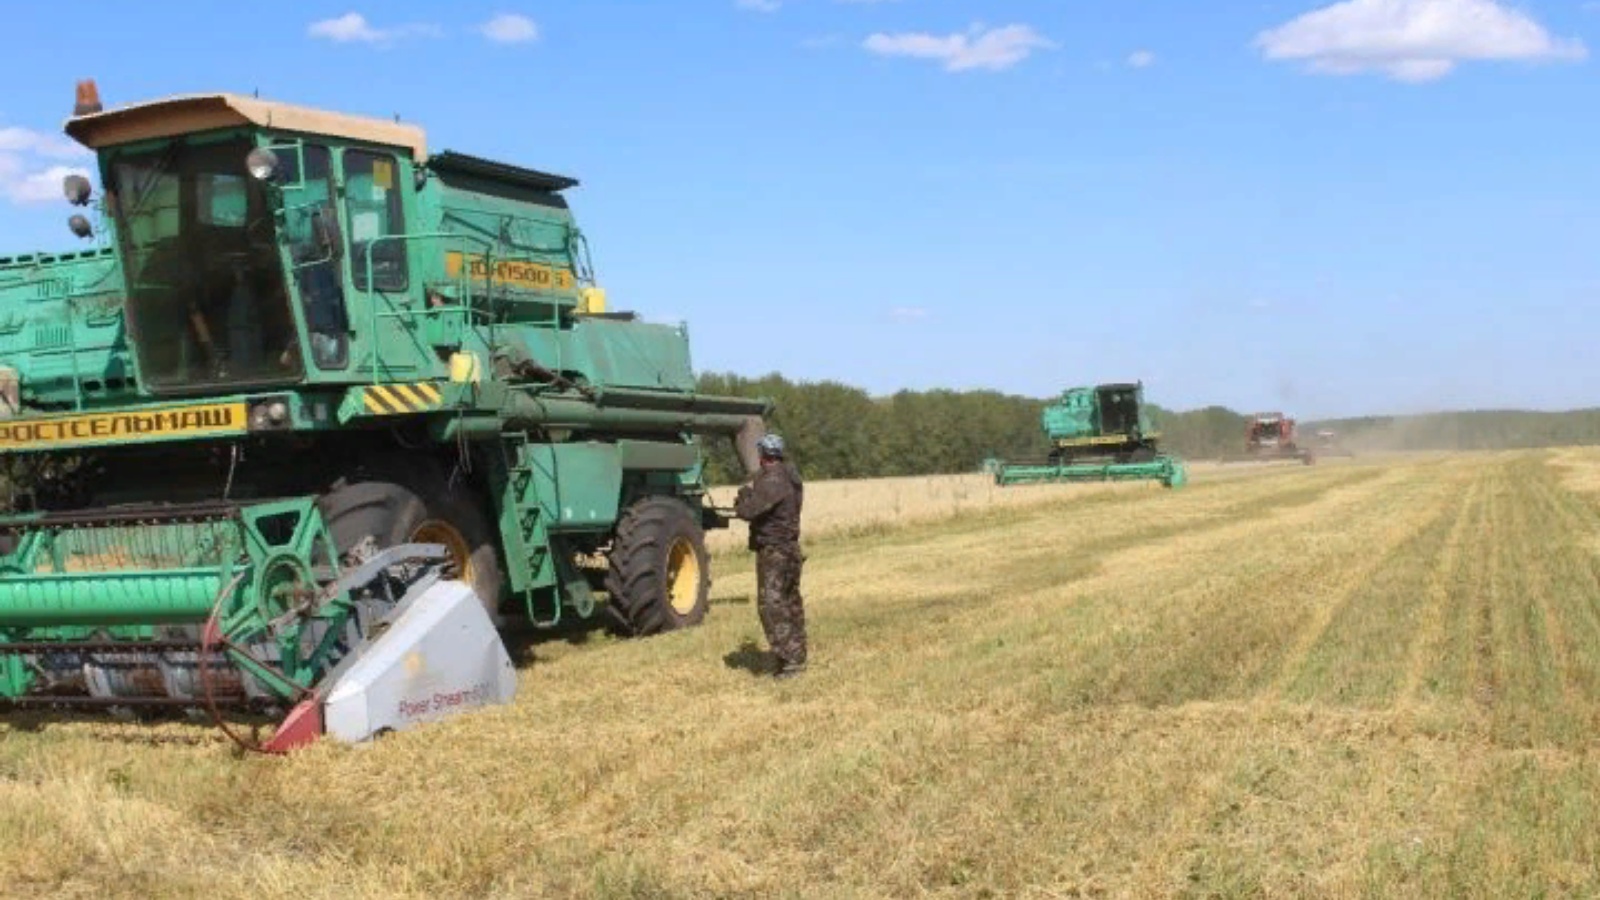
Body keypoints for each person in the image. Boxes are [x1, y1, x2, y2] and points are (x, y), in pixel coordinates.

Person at [733, 433, 807, 679]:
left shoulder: (771, 480)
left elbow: (748, 511)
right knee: (790, 601)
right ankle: (796, 654)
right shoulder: (791, 475)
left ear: (763, 455)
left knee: (772, 605)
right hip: (791, 548)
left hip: (774, 550)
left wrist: (743, 496)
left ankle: (790, 661)